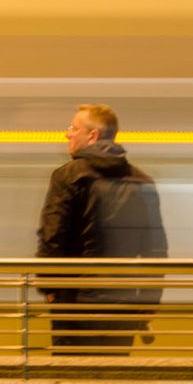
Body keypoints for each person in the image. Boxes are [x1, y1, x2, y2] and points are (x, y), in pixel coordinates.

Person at [35, 104, 168, 352]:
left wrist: (49, 286)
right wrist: (148, 303)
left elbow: (52, 235)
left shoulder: (68, 177)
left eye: (74, 128)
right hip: (122, 303)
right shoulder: (141, 181)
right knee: (112, 381)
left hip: (74, 301)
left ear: (92, 136)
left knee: (72, 379)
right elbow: (155, 249)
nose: (68, 134)